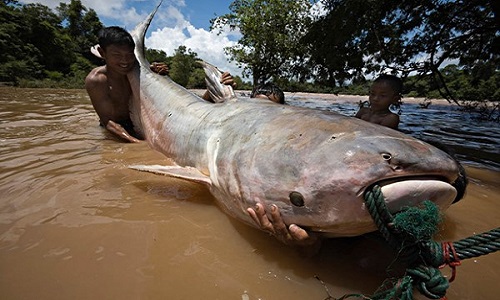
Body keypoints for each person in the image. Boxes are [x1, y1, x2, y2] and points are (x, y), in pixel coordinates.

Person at [85, 26, 142, 143]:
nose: (125, 61)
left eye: (129, 55)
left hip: (135, 123)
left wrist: (157, 71)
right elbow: (107, 122)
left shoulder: (135, 70)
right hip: (113, 129)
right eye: (117, 55)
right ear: (102, 53)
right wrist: (136, 143)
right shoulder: (97, 80)